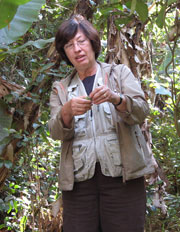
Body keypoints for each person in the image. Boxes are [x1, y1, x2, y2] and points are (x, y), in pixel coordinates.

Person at [48, 14, 155, 232]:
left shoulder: (118, 74)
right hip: (79, 184)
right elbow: (55, 132)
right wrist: (66, 112)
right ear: (65, 53)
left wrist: (117, 98)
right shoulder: (60, 88)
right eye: (69, 45)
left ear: (93, 43)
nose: (77, 49)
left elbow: (142, 111)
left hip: (123, 178)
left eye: (81, 41)